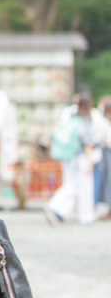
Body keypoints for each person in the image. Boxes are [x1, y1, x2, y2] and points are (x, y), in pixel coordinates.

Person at [46, 90, 101, 225]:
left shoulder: (71, 117)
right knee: (83, 187)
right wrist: (90, 161)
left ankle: (60, 211)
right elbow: (87, 143)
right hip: (81, 157)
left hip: (69, 157)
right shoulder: (86, 119)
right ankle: (62, 207)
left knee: (71, 183)